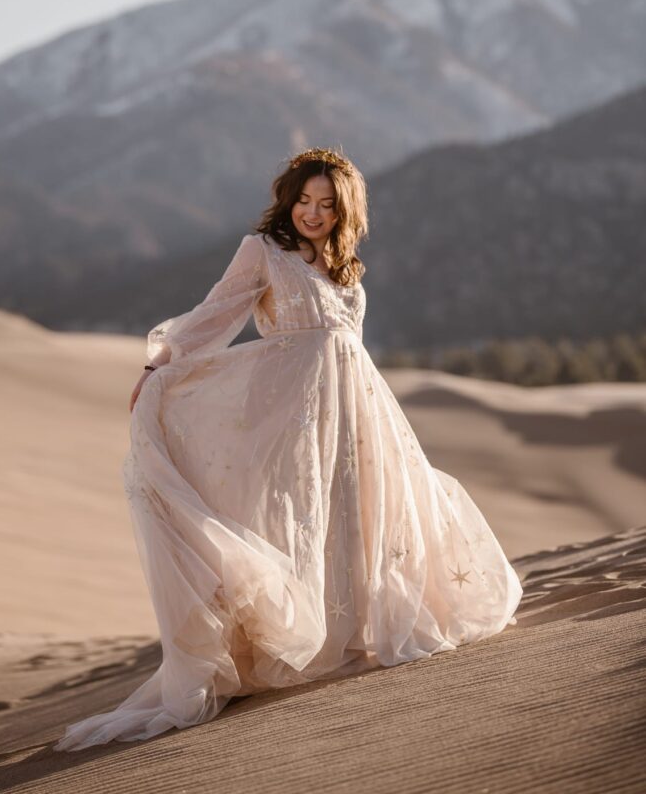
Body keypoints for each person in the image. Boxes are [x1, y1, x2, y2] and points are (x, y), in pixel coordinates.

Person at [54, 146, 522, 752]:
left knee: (362, 516)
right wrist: (160, 365)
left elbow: (344, 346)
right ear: (289, 198)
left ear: (344, 211)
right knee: (302, 517)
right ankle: (305, 637)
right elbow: (215, 312)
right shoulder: (263, 251)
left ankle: (355, 633)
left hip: (359, 411)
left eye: (327, 204)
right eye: (304, 199)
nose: (313, 212)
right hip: (294, 416)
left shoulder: (347, 268)